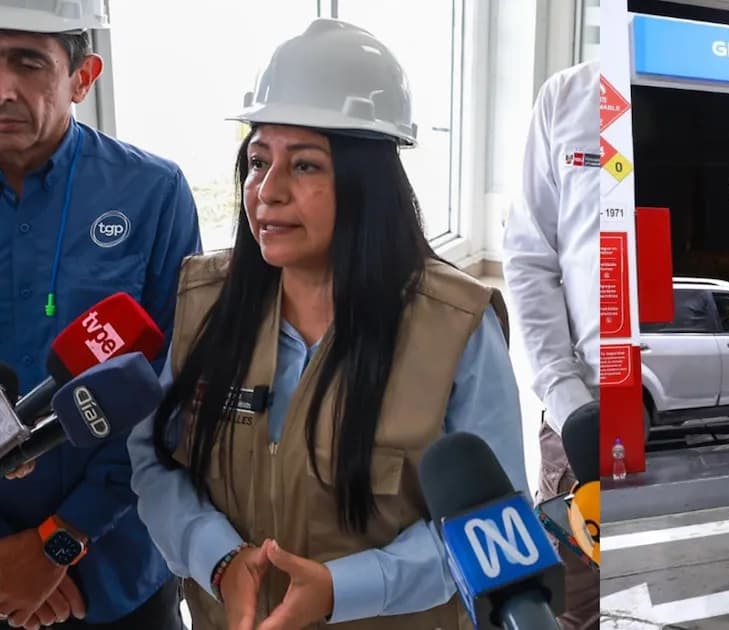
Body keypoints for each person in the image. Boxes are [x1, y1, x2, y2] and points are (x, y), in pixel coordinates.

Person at [126, 19, 524, 630]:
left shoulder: (456, 329)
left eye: (305, 166)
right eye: (258, 162)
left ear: (368, 184)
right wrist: (219, 560)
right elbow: (155, 461)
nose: (268, 191)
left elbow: (498, 526)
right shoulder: (206, 304)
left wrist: (347, 589)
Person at [0, 1, 201, 628]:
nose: (2, 88)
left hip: (118, 565)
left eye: (27, 62)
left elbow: (175, 393)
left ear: (83, 77)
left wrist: (59, 539)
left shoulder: (154, 194)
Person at [502, 59, 600, 630]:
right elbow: (530, 258)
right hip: (578, 419)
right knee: (571, 608)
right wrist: (567, 401)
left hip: (648, 419)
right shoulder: (568, 97)